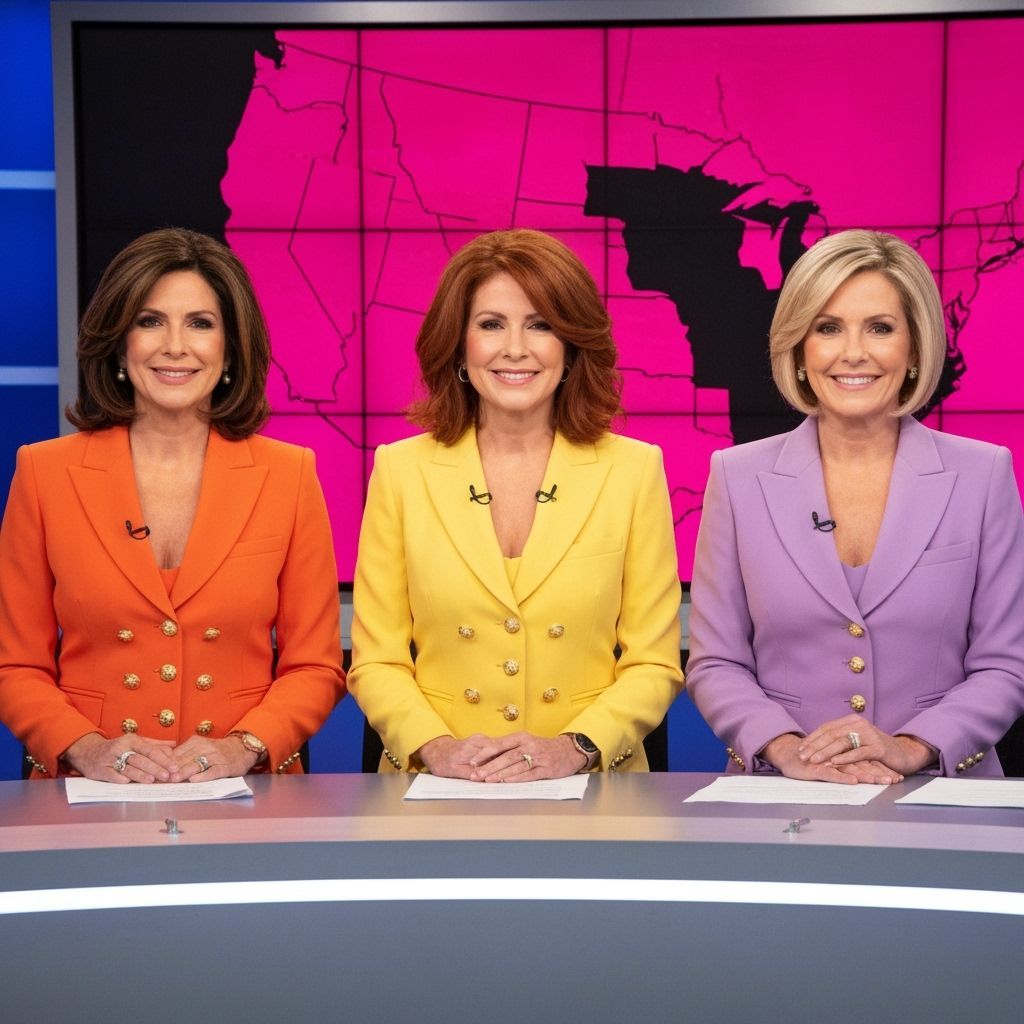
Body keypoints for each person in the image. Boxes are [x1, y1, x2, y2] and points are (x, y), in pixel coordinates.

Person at [0, 228, 344, 782]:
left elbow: (315, 665)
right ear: (119, 342)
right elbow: (15, 665)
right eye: (150, 320)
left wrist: (246, 746)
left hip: (246, 794)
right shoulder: (44, 473)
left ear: (230, 348)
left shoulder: (289, 474)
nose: (175, 346)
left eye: (200, 324)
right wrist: (84, 747)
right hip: (88, 793)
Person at [687, 229, 1024, 782]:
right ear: (799, 347)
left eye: (880, 328)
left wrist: (913, 747)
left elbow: (1004, 665)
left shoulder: (983, 474)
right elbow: (717, 661)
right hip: (781, 794)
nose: (853, 353)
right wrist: (788, 749)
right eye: (828, 328)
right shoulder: (738, 475)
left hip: (941, 794)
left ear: (915, 346)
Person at [349, 229, 683, 779]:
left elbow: (653, 661)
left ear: (572, 345)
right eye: (491, 325)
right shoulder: (400, 471)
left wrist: (574, 749)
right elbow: (378, 659)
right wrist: (437, 750)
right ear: (459, 345)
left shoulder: (633, 470)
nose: (515, 349)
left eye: (541, 325)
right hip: (436, 786)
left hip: (592, 788)